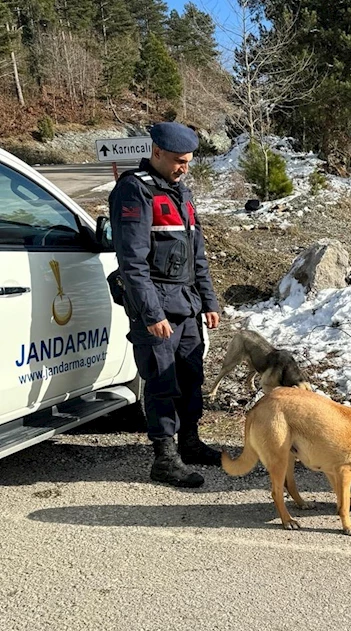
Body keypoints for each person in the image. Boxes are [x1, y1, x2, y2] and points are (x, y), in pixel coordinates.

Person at [109, 122, 221, 488]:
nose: (183, 168)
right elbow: (132, 263)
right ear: (156, 152)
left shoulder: (179, 192)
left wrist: (209, 300)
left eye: (187, 162)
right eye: (178, 161)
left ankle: (189, 443)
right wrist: (152, 313)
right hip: (157, 308)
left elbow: (196, 255)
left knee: (191, 377)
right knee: (162, 382)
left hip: (187, 306)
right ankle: (164, 457)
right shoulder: (134, 191)